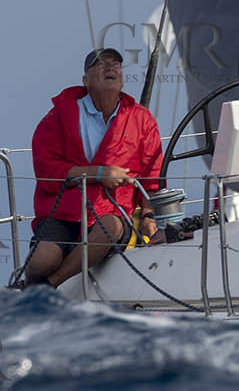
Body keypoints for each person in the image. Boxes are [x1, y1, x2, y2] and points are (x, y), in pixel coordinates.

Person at [17, 47, 162, 288]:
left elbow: (152, 173)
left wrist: (148, 214)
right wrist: (98, 174)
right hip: (64, 211)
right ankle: (32, 283)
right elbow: (47, 171)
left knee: (112, 226)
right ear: (85, 80)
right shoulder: (58, 117)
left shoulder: (142, 119)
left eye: (116, 64)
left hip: (111, 212)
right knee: (42, 260)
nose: (111, 68)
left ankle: (49, 286)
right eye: (101, 64)